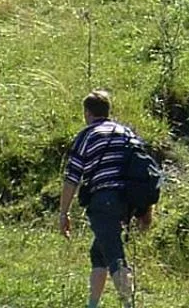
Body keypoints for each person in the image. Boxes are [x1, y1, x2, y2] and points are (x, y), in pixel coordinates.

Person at [59, 89, 148, 308]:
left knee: (115, 257)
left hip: (102, 200)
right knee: (99, 252)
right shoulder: (127, 132)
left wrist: (64, 213)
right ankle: (92, 304)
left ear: (87, 113)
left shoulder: (87, 135)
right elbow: (143, 171)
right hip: (126, 202)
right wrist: (144, 210)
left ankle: (129, 304)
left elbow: (72, 178)